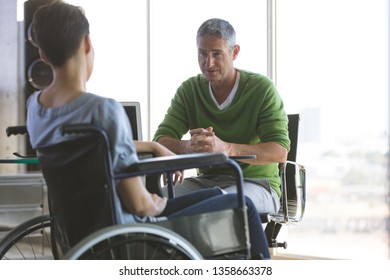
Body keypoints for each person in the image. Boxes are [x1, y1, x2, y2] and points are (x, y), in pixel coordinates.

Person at [26, 1, 270, 259]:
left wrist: (152, 146)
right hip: (134, 235)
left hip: (80, 233)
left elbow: (87, 148)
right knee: (242, 204)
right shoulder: (104, 111)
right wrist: (161, 202)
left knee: (211, 195)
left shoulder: (36, 107)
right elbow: (141, 205)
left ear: (43, 55)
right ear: (87, 44)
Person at [153, 18, 291, 214]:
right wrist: (186, 148)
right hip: (206, 182)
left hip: (258, 185)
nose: (208, 63)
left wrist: (225, 148)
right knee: (152, 201)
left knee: (217, 205)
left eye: (217, 54)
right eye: (202, 53)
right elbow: (160, 140)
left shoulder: (262, 89)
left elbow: (279, 152)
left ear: (234, 52)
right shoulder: (189, 90)